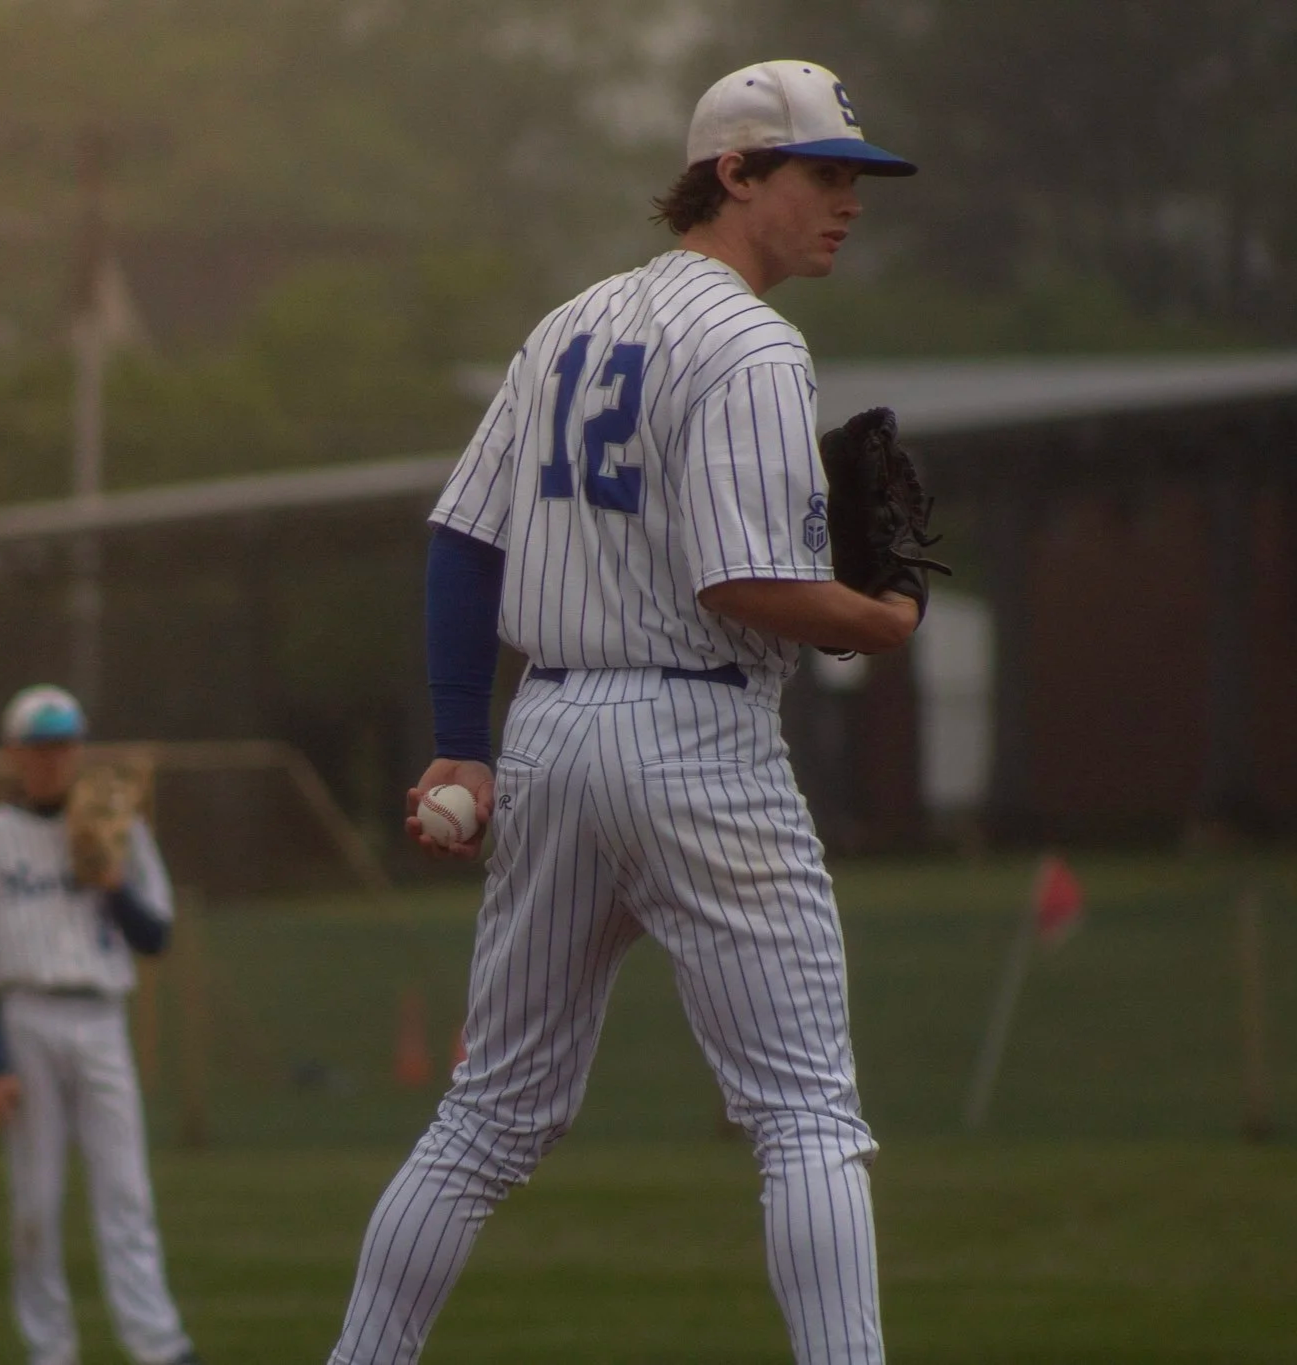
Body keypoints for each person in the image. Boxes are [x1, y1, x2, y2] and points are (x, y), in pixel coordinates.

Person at [328, 59, 921, 1365]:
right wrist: (877, 622)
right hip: (694, 738)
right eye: (824, 175)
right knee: (806, 1114)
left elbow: (463, 544)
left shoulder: (571, 322)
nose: (849, 203)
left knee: (487, 1116)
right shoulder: (754, 342)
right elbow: (741, 580)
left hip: (549, 732)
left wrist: (461, 745)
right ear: (735, 172)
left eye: (854, 180)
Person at [0, 685, 201, 1365]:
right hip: (23, 1018)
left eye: (64, 745)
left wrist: (111, 879)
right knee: (35, 1202)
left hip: (100, 1018)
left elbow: (157, 936)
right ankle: (48, 1348)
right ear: (13, 754)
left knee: (126, 1193)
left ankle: (157, 1344)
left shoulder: (118, 826)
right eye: (39, 747)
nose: (53, 760)